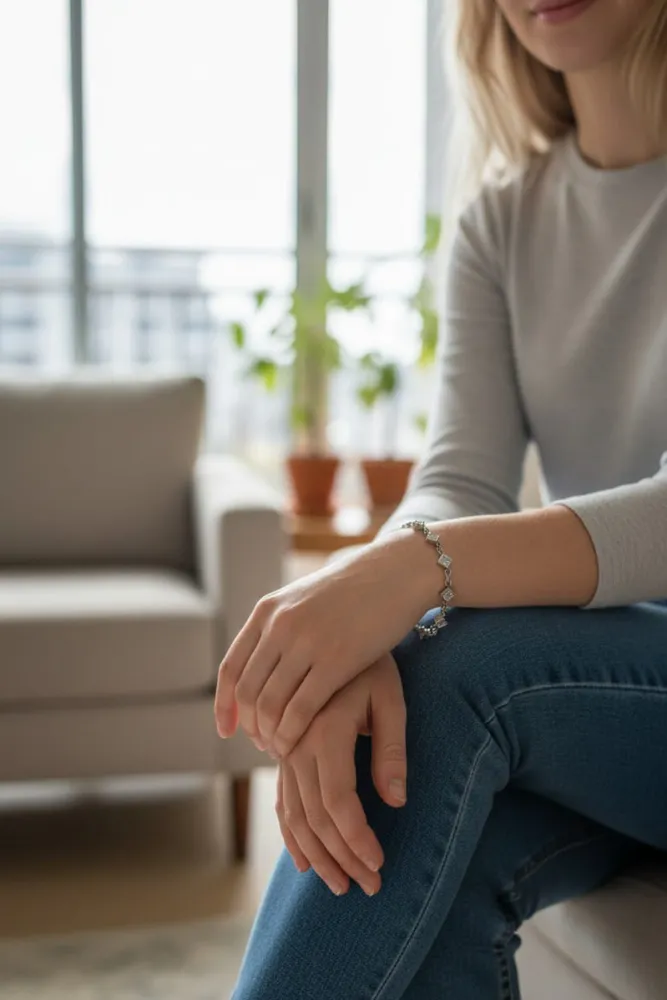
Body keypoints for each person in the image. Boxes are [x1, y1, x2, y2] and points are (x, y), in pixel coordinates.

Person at [217, 0, 667, 996]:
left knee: (461, 665)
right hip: (619, 698)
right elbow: (459, 479)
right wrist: (364, 628)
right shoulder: (503, 219)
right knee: (410, 807)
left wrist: (411, 574)